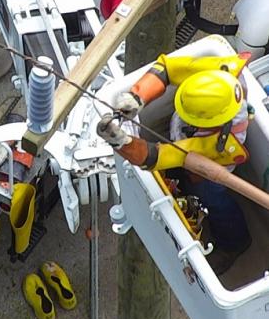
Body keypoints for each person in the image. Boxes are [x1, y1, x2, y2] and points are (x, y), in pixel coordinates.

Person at [97, 52, 252, 275]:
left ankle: (235, 243)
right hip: (183, 139)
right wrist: (137, 96)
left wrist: (122, 142)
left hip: (208, 173)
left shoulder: (217, 143)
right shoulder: (220, 74)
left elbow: (157, 156)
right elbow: (167, 68)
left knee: (215, 200)